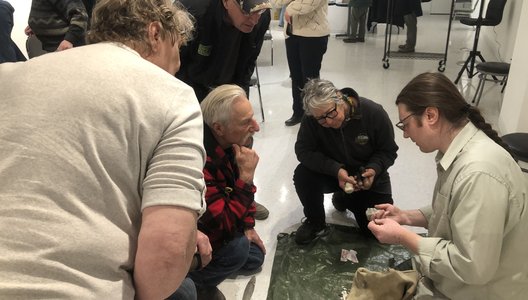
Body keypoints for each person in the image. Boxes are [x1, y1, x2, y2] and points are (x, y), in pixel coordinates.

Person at [0, 0, 206, 299]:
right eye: (176, 53)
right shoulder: (173, 96)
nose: (175, 68)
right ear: (155, 33)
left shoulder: (10, 75)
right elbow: (167, 251)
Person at [368, 72, 528, 299]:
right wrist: (405, 217)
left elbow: (473, 267)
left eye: (406, 125)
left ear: (431, 115)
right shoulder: (460, 151)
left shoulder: (478, 173)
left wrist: (403, 237)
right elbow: (455, 208)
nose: (405, 135)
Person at [293, 78, 398, 245]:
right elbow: (303, 151)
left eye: (330, 113)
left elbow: (388, 151)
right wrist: (336, 170)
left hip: (367, 177)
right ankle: (315, 221)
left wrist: (374, 169)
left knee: (376, 232)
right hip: (333, 174)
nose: (327, 122)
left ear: (339, 97)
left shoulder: (374, 113)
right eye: (320, 119)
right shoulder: (312, 118)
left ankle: (346, 199)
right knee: (303, 175)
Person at [185, 84, 266, 299]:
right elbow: (221, 223)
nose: (256, 127)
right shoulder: (199, 161)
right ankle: (195, 282)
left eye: (253, 117)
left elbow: (240, 194)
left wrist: (248, 225)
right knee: (239, 249)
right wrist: (246, 179)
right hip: (197, 234)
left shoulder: (233, 142)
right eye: (245, 122)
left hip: (219, 219)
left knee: (255, 256)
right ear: (219, 128)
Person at [176, 0, 272, 102]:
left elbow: (248, 64)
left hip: (231, 86)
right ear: (226, 2)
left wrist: (240, 98)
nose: (254, 20)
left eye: (259, 11)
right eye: (247, 12)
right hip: (193, 86)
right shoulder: (192, 10)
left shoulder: (263, 17)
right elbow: (176, 66)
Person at [272, 0, 330, 126]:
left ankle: (313, 115)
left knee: (310, 78)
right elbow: (276, 2)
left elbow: (310, 3)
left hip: (313, 35)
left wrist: (289, 9)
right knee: (295, 75)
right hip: (292, 33)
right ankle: (298, 112)